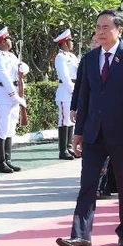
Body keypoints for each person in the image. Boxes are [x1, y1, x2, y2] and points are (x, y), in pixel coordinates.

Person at [56, 10, 123, 246]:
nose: (101, 32)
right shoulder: (89, 58)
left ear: (119, 30)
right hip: (94, 133)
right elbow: (85, 96)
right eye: (98, 27)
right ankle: (80, 236)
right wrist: (78, 132)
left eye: (106, 27)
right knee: (87, 184)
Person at [0, 27, 27, 174]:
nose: (10, 41)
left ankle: (8, 160)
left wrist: (25, 68)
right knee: (0, 129)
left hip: (12, 97)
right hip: (1, 97)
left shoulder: (11, 56)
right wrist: (15, 96)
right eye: (8, 39)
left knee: (10, 128)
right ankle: (0, 162)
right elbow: (5, 78)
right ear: (3, 42)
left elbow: (21, 70)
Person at [53, 29, 79, 160]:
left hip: (73, 89)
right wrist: (74, 91)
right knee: (64, 120)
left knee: (71, 121)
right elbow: (65, 76)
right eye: (70, 41)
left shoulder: (72, 57)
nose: (72, 43)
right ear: (64, 43)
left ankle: (69, 146)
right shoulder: (60, 58)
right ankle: (62, 150)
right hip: (65, 90)